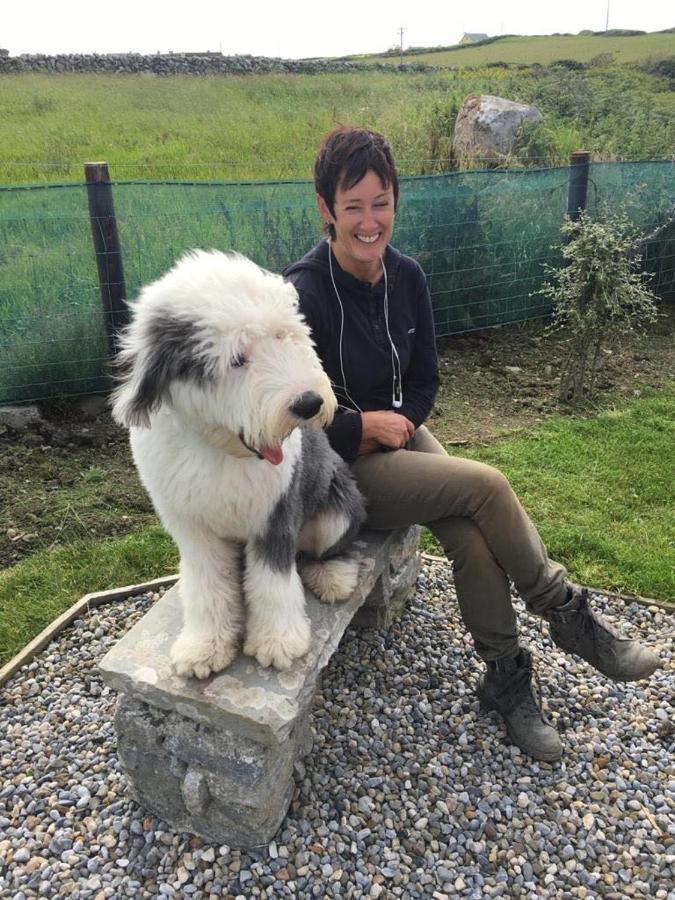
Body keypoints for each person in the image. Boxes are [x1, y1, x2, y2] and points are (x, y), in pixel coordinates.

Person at [282, 126, 659, 762]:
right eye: (353, 206)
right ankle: (567, 613)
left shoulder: (409, 277)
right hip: (334, 467)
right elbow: (289, 411)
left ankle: (505, 680)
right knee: (486, 486)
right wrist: (359, 428)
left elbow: (425, 377)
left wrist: (399, 422)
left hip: (395, 436)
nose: (370, 222)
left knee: (468, 531)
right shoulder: (300, 292)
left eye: (381, 203)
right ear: (326, 209)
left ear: (396, 200)